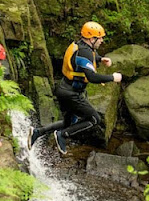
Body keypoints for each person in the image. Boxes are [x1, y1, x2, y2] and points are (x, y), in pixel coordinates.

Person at [28, 21, 122, 154]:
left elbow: (84, 59)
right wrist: (113, 78)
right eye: (99, 37)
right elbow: (92, 77)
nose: (102, 40)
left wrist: (101, 59)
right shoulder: (85, 52)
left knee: (69, 123)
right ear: (91, 38)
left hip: (64, 89)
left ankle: (37, 133)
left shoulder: (80, 45)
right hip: (71, 94)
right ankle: (62, 135)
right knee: (94, 119)